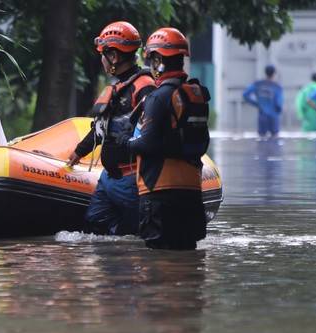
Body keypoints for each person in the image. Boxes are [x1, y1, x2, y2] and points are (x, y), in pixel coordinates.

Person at [118, 27, 209, 250]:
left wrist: (123, 141)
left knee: (159, 267)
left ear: (159, 60)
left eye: (153, 59)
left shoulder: (158, 97)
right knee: (187, 263)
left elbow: (146, 143)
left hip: (159, 192)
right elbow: (203, 142)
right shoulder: (196, 94)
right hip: (191, 192)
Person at [66, 21, 156, 235]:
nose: (102, 60)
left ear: (114, 57)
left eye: (103, 54)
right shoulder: (118, 88)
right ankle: (117, 253)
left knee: (139, 233)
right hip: (108, 178)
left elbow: (151, 132)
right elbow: (101, 127)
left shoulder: (144, 87)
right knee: (95, 223)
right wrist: (80, 151)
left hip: (131, 179)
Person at [242, 64, 283, 138]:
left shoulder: (258, 84)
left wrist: (256, 104)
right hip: (274, 116)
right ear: (274, 73)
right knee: (275, 139)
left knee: (261, 138)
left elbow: (245, 94)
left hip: (262, 115)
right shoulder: (277, 86)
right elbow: (278, 103)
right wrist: (279, 110)